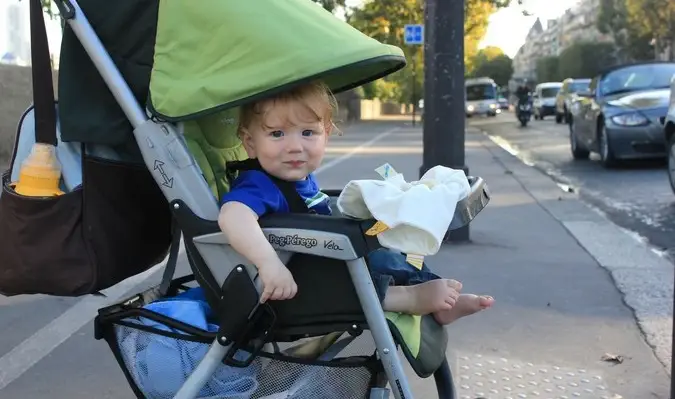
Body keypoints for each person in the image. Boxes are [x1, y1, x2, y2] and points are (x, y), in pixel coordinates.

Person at [218, 81, 493, 325]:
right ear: (250, 143)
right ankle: (407, 297)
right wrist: (268, 264)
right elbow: (233, 215)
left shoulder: (298, 177)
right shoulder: (260, 184)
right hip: (303, 280)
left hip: (323, 258)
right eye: (277, 134)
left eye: (308, 133)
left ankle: (433, 292)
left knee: (391, 250)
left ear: (326, 133)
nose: (294, 146)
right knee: (367, 265)